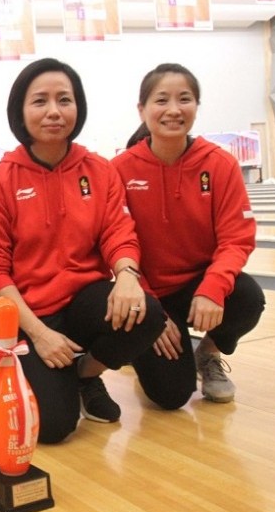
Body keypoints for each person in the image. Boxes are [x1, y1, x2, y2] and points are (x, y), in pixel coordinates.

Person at [0, 58, 166, 444]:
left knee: (146, 311)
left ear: (78, 108)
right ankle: (51, 377)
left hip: (82, 302)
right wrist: (40, 334)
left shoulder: (98, 169)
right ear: (21, 111)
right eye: (40, 101)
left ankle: (86, 375)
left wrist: (127, 275)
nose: (54, 112)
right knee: (55, 428)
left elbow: (118, 231)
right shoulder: (1, 182)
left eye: (65, 99)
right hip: (30, 314)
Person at [112, 63, 265, 408]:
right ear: (142, 109)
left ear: (196, 106)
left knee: (248, 297)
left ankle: (207, 353)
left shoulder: (219, 164)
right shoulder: (119, 170)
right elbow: (117, 243)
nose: (173, 109)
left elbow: (236, 238)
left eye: (184, 99)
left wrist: (213, 288)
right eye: (161, 100)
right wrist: (151, 312)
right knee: (171, 397)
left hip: (199, 286)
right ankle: (145, 352)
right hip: (150, 295)